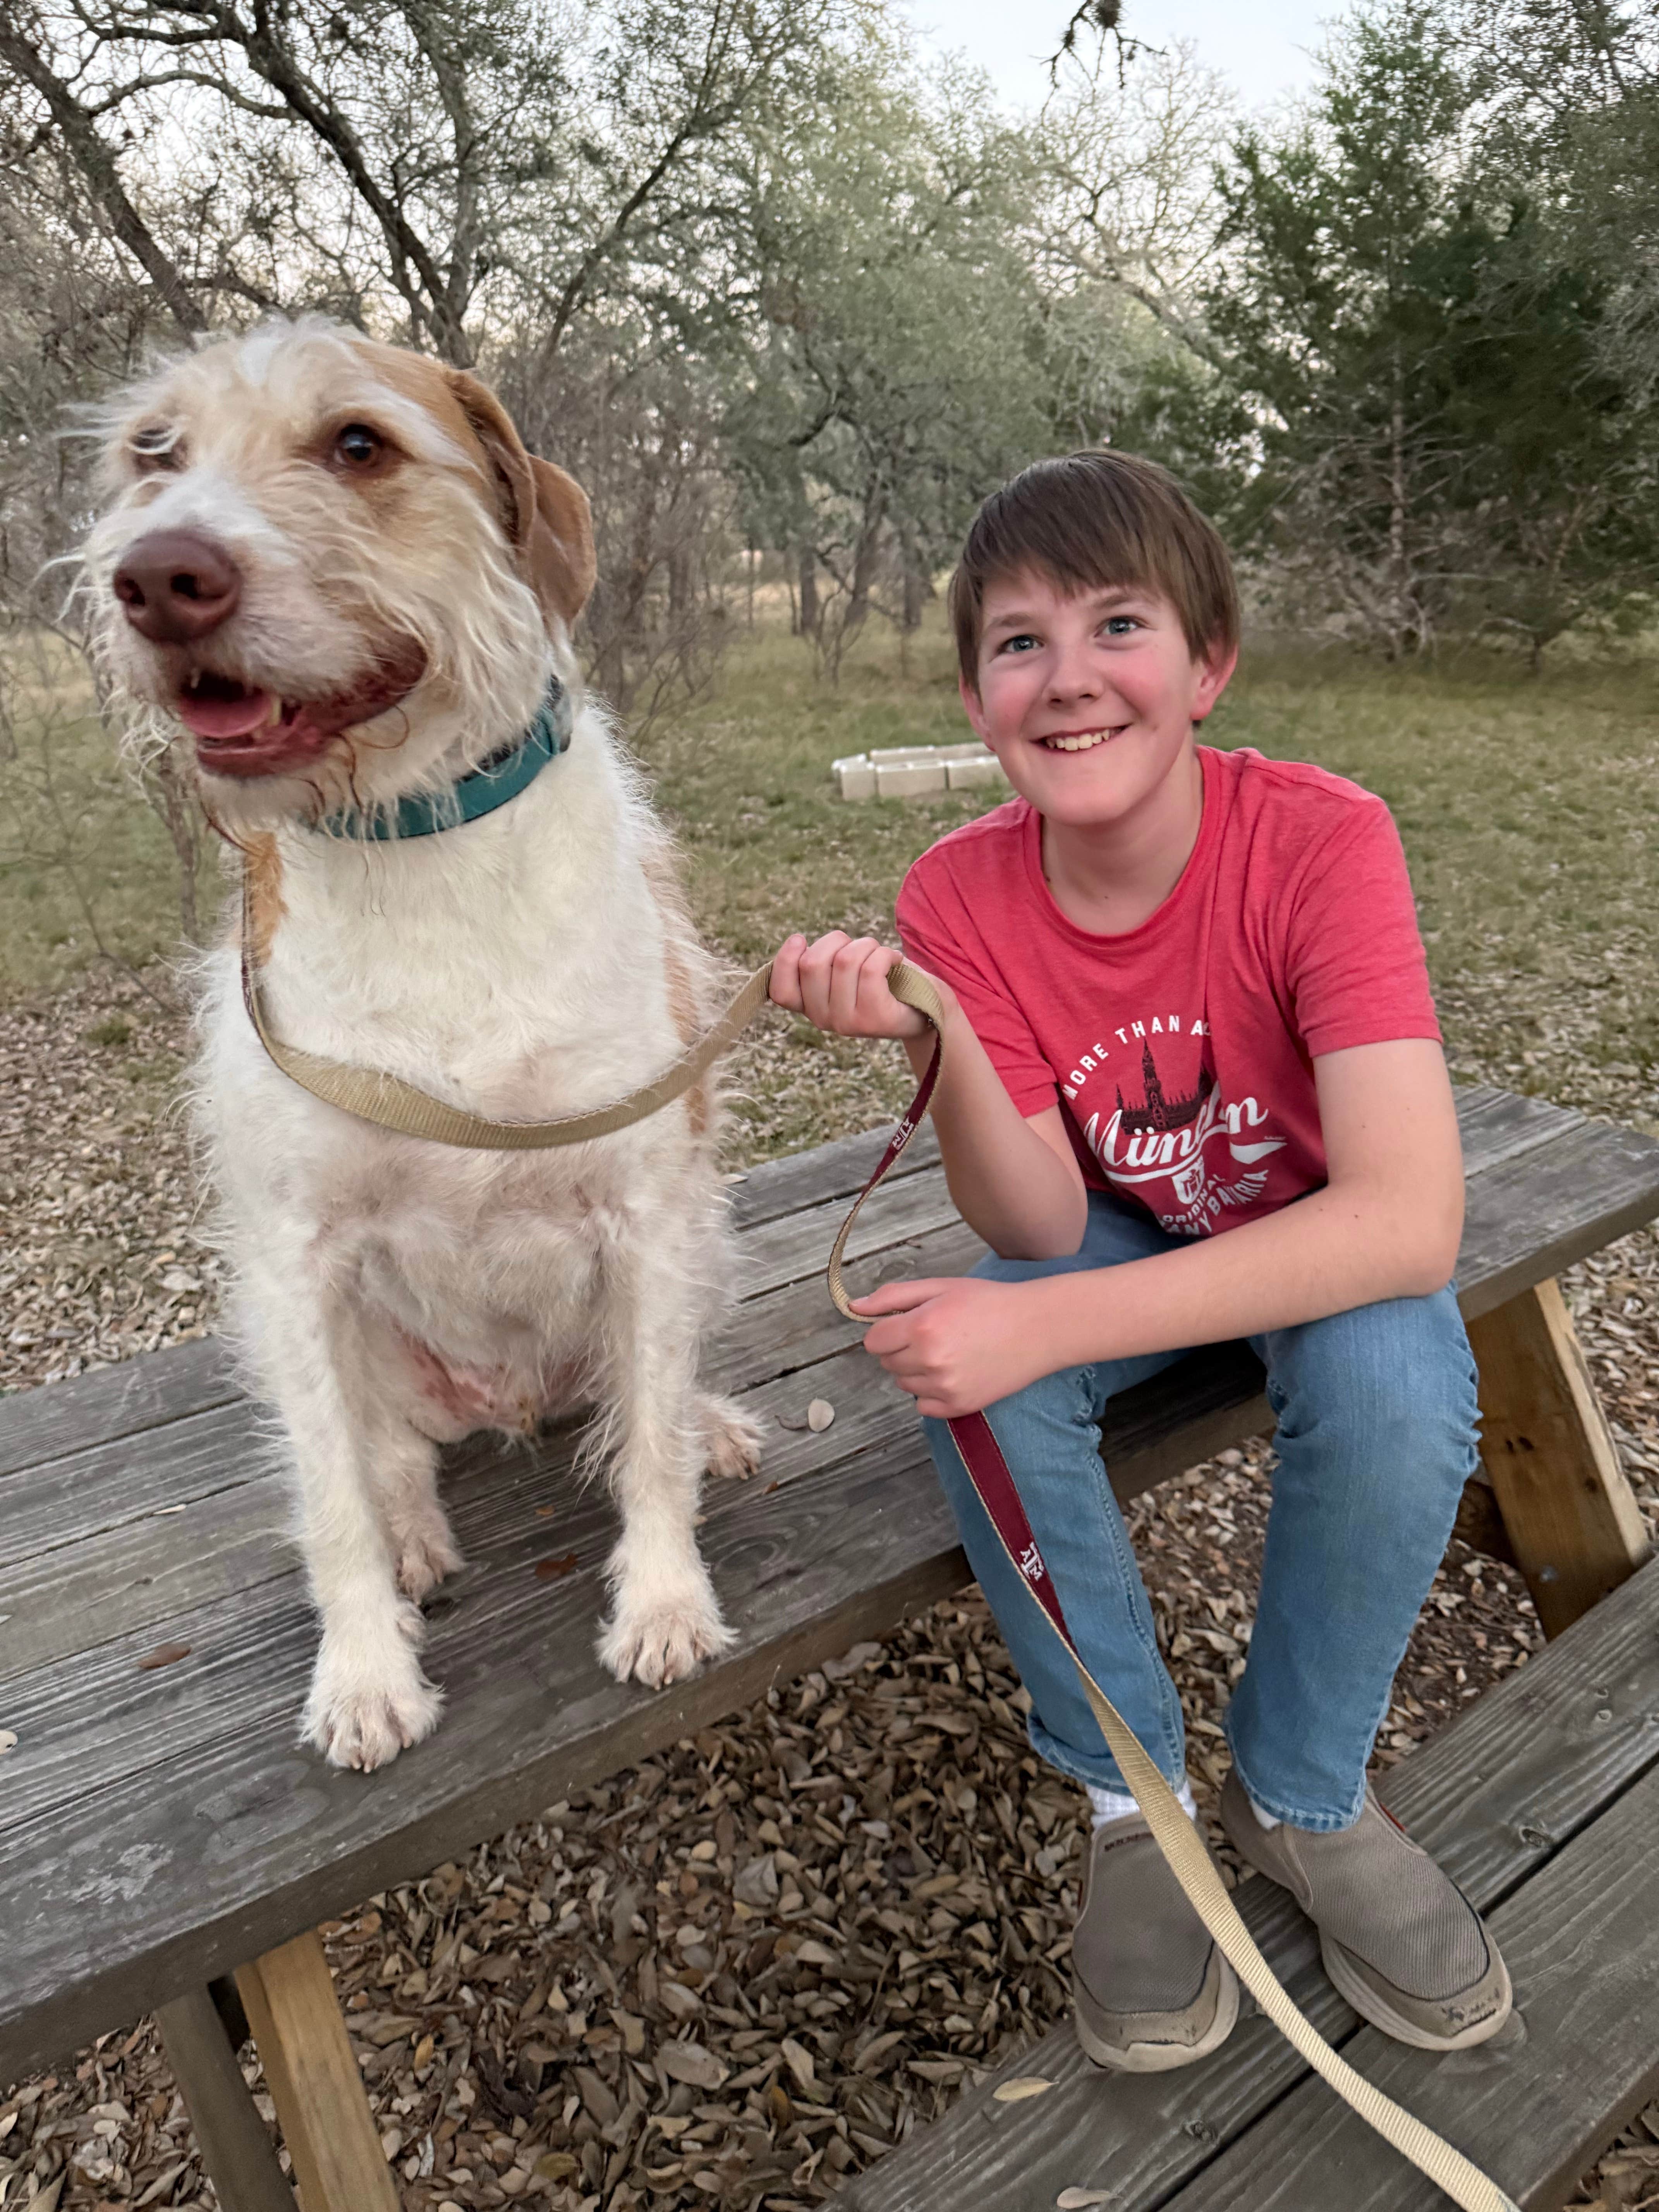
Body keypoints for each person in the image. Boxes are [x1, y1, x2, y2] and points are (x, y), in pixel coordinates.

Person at [768, 452, 1511, 2074]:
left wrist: (1057, 1327)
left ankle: (1305, 1794)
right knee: (973, 1375)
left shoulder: (1321, 841)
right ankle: (1133, 1799)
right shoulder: (957, 891)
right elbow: (1036, 1229)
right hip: (1112, 1220)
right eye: (1018, 643)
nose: (1071, 676)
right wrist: (941, 1036)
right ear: (976, 700)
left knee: (1393, 1370)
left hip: (1313, 1231)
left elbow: (1405, 1221)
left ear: (1206, 663)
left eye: (1119, 622)